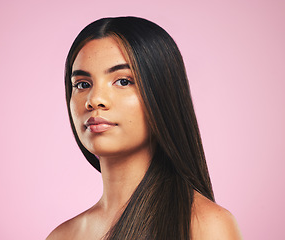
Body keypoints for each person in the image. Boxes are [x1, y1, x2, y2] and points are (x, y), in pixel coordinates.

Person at [47, 16, 242, 240]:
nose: (94, 99)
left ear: (162, 93)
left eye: (123, 81)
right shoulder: (62, 236)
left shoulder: (205, 225)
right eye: (82, 84)